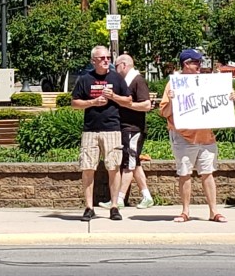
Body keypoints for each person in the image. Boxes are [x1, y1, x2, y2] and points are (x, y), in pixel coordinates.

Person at [158, 48, 226, 223]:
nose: (199, 66)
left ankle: (214, 212)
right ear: (186, 64)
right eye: (196, 62)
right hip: (183, 136)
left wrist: (228, 97)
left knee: (208, 173)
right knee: (185, 173)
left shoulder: (206, 81)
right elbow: (164, 112)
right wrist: (172, 100)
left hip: (206, 136)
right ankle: (185, 211)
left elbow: (219, 103)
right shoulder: (173, 84)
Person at [71, 45, 133, 222]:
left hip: (112, 128)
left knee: (113, 167)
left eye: (108, 58)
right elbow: (75, 103)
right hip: (90, 129)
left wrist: (113, 96)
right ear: (93, 61)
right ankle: (89, 207)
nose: (106, 61)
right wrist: (93, 102)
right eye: (102, 58)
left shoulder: (117, 78)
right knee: (88, 168)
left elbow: (128, 100)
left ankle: (114, 206)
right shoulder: (85, 79)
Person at [114, 53, 154, 209]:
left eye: (116, 66)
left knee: (129, 164)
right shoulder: (125, 81)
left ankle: (119, 199)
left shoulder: (137, 80)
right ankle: (146, 196)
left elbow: (146, 105)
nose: (115, 69)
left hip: (133, 128)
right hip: (125, 127)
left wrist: (126, 104)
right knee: (134, 162)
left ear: (124, 65)